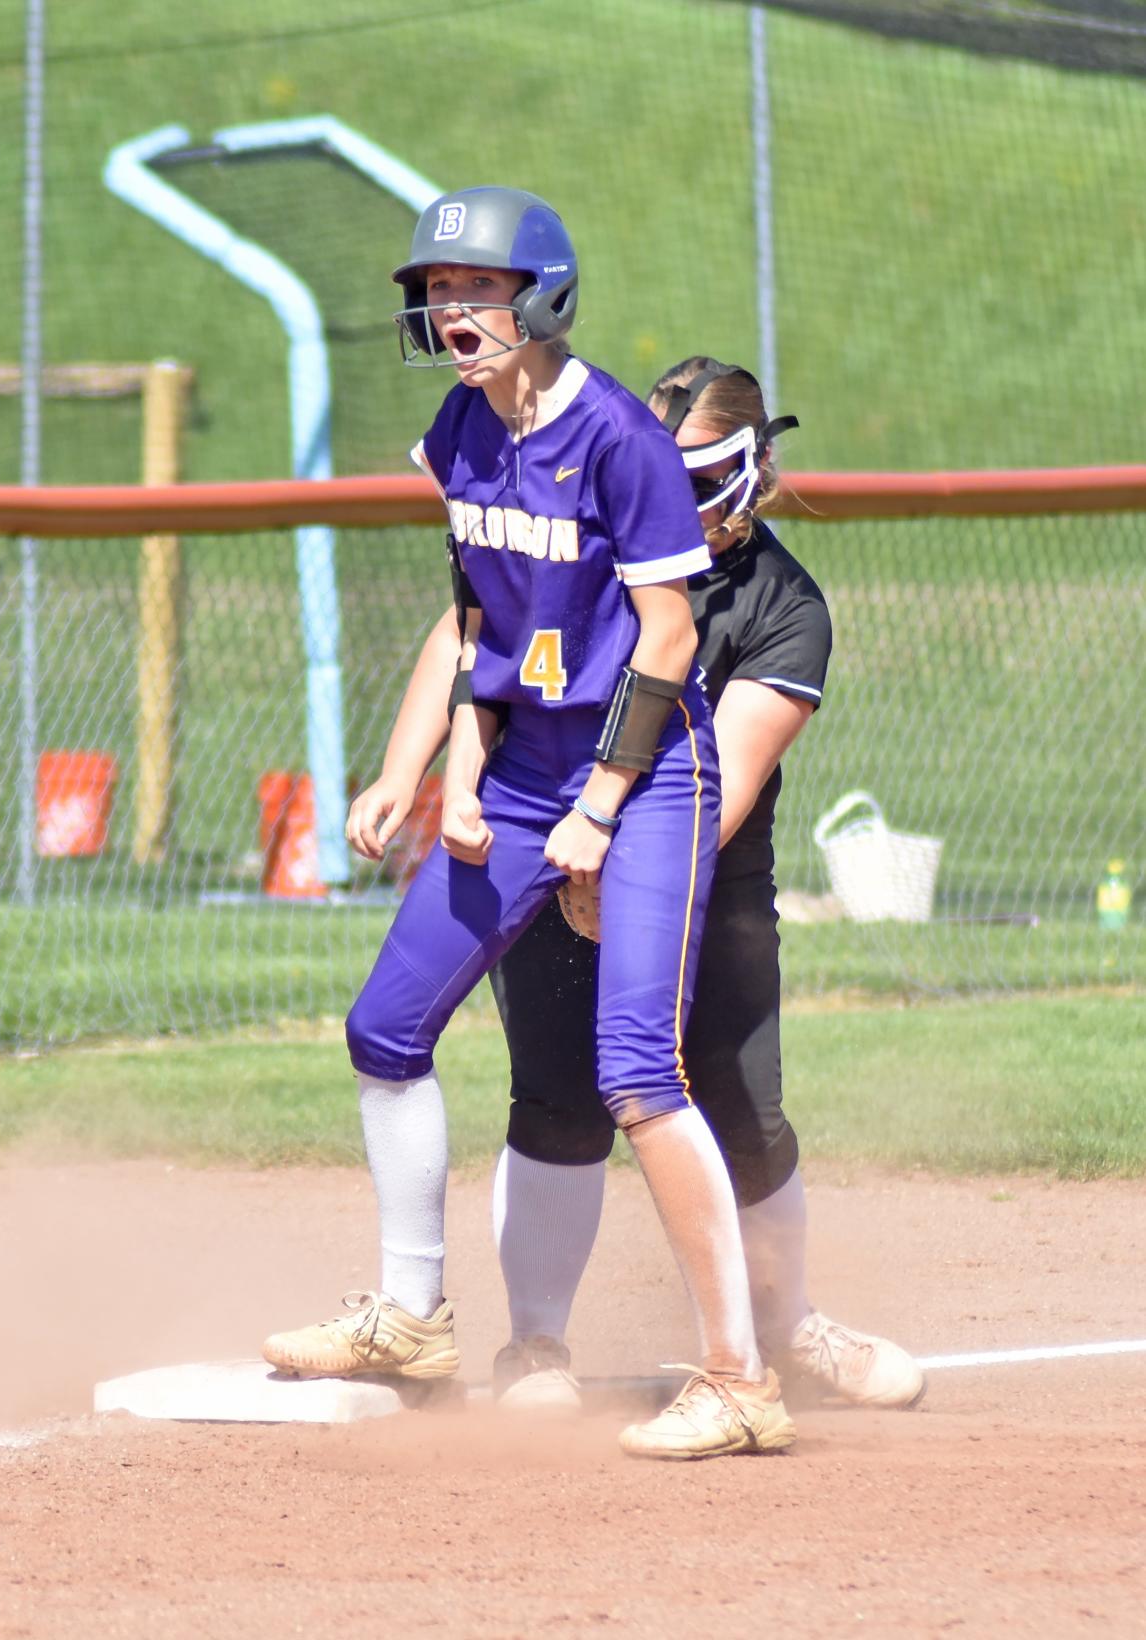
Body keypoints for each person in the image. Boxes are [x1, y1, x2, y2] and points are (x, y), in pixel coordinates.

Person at [262, 188, 795, 1461]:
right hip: (517, 774)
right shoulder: (461, 427)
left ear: (541, 296)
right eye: (437, 290)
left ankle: (739, 1379)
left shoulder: (619, 437)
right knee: (385, 1024)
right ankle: (412, 1314)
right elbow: (483, 627)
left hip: (646, 771)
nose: (450, 310)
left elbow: (667, 638)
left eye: (475, 288)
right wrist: (427, 772)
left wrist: (600, 811)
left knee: (634, 1070)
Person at [337, 354, 926, 1425]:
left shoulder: (783, 604)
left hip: (697, 861)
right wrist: (419, 769)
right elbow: (475, 632)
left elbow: (729, 776)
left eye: (706, 482)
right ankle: (537, 1341)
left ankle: (782, 1325)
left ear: (754, 472)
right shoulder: (596, 531)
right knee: (559, 1095)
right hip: (547, 830)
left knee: (742, 1105)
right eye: (667, 480)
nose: (682, 506)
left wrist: (615, 865)